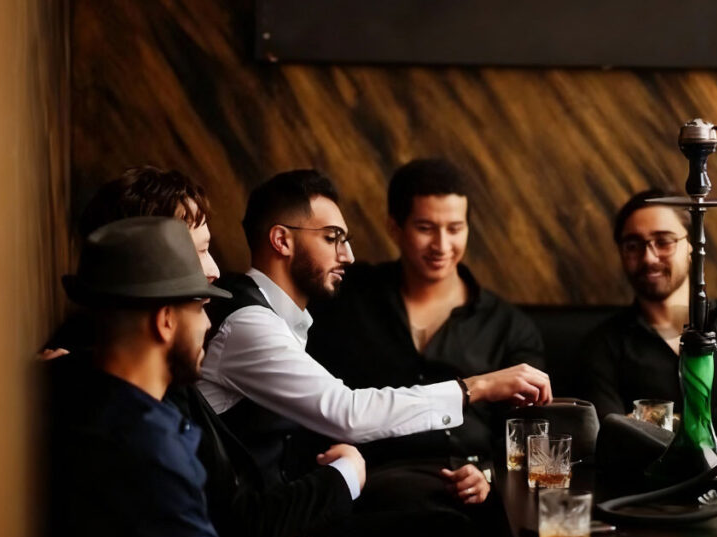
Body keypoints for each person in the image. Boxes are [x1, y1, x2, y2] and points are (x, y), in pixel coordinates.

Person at [49, 165, 473, 537]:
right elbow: (346, 417)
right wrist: (474, 390)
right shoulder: (142, 414)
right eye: (201, 250)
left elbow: (223, 514)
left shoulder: (155, 385)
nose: (214, 271)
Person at [46, 216, 393, 537]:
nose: (210, 322)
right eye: (201, 307)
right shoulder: (146, 449)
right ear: (166, 320)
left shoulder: (92, 396)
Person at [197, 169, 552, 497]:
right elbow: (347, 413)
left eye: (455, 228)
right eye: (332, 238)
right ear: (282, 241)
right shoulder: (250, 323)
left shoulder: (282, 317)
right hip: (357, 493)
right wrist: (478, 386)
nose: (347, 255)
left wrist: (489, 474)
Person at [307, 158, 545, 504]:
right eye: (425, 227)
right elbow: (309, 392)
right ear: (394, 227)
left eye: (454, 228)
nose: (442, 245)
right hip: (362, 485)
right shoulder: (347, 298)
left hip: (465, 494)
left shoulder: (509, 327)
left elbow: (530, 433)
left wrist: (489, 475)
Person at [580, 189, 717, 445]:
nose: (648, 257)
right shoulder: (602, 345)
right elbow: (611, 436)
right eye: (633, 245)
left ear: (692, 244)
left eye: (664, 241)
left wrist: (654, 423)